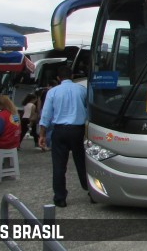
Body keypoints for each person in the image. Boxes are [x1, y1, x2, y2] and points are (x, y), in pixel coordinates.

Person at [38, 65, 88, 207]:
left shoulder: (53, 92)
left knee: (59, 165)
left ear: (58, 78)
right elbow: (88, 109)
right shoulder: (82, 90)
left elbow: (46, 115)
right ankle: (90, 189)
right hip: (78, 130)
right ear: (72, 76)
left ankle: (60, 197)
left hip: (59, 131)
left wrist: (42, 134)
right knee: (82, 162)